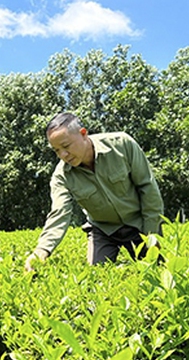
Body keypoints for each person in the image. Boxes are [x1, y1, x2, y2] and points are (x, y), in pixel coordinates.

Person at [25, 112, 164, 271]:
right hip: (103, 230)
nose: (63, 155)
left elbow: (148, 188)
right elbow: (59, 212)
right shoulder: (62, 176)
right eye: (57, 151)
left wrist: (152, 235)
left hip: (138, 225)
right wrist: (42, 250)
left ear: (83, 134)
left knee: (155, 272)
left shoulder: (122, 145)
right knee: (95, 277)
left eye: (66, 146)